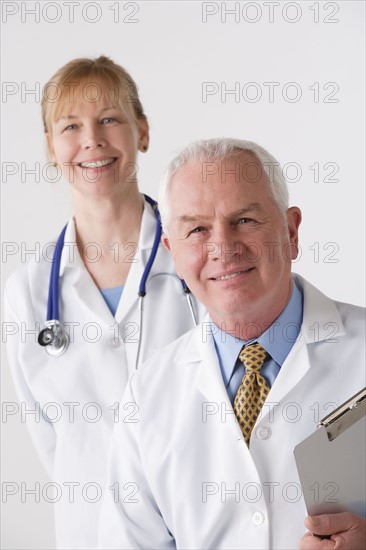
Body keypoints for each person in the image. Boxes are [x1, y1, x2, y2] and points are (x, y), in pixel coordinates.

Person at [98, 138, 366, 549]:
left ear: (291, 231)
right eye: (197, 229)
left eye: (244, 220)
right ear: (172, 252)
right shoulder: (148, 394)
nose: (223, 247)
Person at [3, 56, 204, 549]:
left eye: (109, 119)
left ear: (143, 132)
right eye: (70, 126)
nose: (91, 139)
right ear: (51, 147)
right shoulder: (28, 292)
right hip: (91, 531)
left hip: (205, 514)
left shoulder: (200, 257)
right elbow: (50, 437)